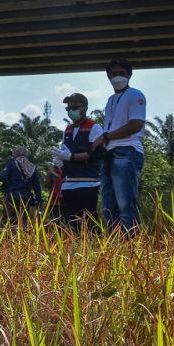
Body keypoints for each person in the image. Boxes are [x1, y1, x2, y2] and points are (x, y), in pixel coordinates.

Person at [92, 58, 147, 233]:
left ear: (129, 75)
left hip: (127, 150)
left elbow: (135, 124)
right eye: (114, 74)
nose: (117, 77)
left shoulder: (135, 95)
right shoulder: (111, 99)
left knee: (126, 203)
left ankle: (131, 245)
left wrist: (106, 136)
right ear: (108, 76)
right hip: (110, 152)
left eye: (121, 73)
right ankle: (115, 245)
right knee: (109, 204)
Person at [51, 93, 105, 232]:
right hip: (68, 183)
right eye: (68, 108)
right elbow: (65, 149)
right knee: (74, 223)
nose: (70, 110)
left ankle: (97, 249)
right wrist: (59, 160)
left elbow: (91, 154)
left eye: (74, 106)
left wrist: (69, 157)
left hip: (87, 182)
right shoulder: (68, 129)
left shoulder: (94, 127)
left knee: (89, 220)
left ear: (84, 107)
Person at [0, 147, 43, 226]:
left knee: (8, 220)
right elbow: (37, 185)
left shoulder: (11, 164)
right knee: (23, 220)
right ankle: (22, 237)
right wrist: (39, 199)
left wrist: (5, 189)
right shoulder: (32, 167)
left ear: (15, 154)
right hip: (25, 196)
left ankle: (7, 237)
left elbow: (2, 176)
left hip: (11, 196)